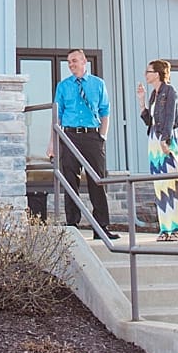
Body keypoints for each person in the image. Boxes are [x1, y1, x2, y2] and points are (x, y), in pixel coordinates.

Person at [52, 48, 112, 231]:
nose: (71, 65)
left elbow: (105, 112)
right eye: (69, 62)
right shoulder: (63, 86)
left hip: (92, 136)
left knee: (97, 180)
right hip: (69, 136)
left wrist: (102, 137)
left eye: (75, 61)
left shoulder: (98, 84)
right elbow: (57, 116)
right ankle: (72, 225)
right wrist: (52, 143)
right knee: (70, 180)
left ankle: (101, 227)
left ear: (84, 61)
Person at [137, 59, 178, 242]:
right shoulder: (154, 95)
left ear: (158, 73)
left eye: (149, 71)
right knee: (160, 187)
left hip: (165, 139)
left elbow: (170, 117)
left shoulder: (169, 91)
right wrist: (141, 102)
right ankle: (166, 228)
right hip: (154, 140)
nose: (146, 74)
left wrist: (165, 139)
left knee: (173, 184)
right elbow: (150, 121)